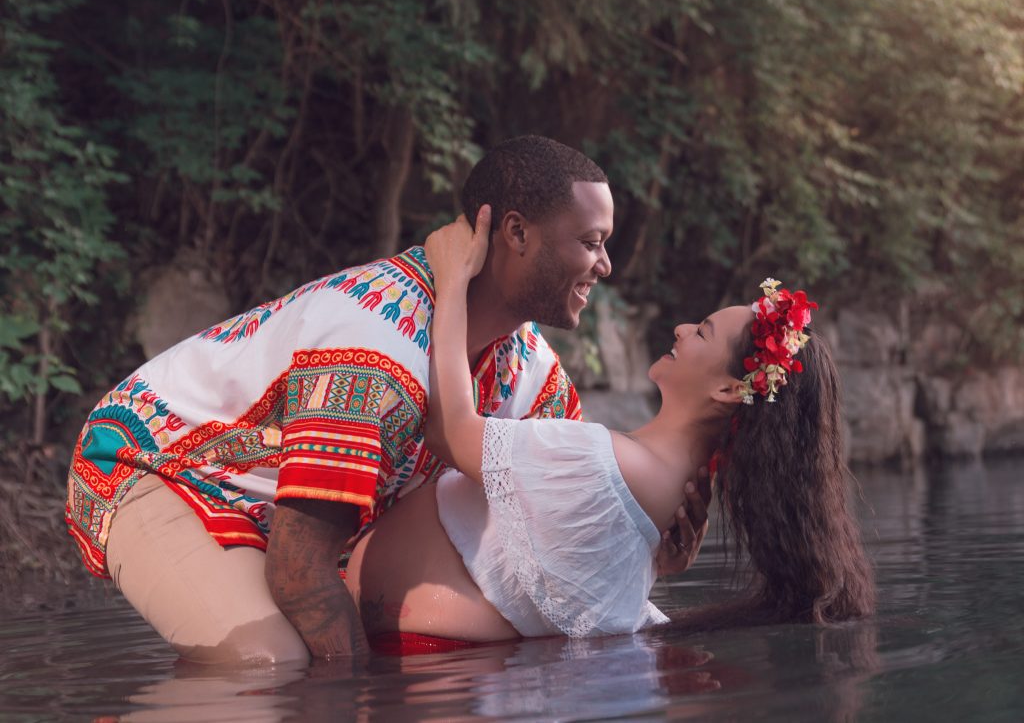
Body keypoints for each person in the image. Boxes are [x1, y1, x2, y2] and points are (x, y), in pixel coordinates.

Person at [64, 135, 695, 665]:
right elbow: (298, 573)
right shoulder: (375, 347)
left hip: (287, 520)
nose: (606, 265)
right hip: (158, 471)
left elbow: (562, 532)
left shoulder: (532, 370)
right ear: (516, 233)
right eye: (591, 242)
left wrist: (656, 555)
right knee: (274, 666)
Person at [342, 211, 875, 645]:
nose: (682, 328)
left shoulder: (606, 463)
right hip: (424, 652)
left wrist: (452, 279)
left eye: (703, 332)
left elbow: (452, 432)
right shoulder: (659, 494)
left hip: (409, 657)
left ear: (729, 391)